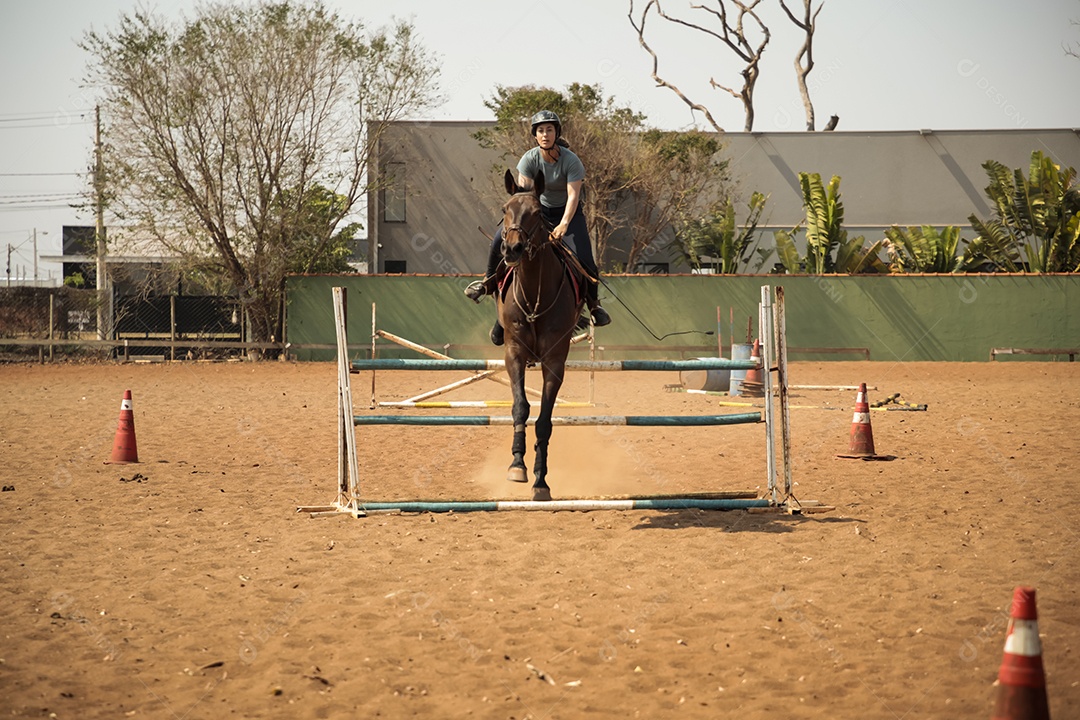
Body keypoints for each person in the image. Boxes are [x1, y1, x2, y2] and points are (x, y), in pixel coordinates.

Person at [465, 110, 611, 346]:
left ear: (556, 132)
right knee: (499, 241)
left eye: (549, 129)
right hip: (537, 214)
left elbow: (573, 197)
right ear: (535, 135)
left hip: (569, 215)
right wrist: (519, 223)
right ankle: (488, 284)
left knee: (585, 258)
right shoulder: (529, 159)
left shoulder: (571, 161)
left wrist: (564, 224)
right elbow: (524, 197)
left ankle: (594, 306)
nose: (545, 134)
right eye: (541, 130)